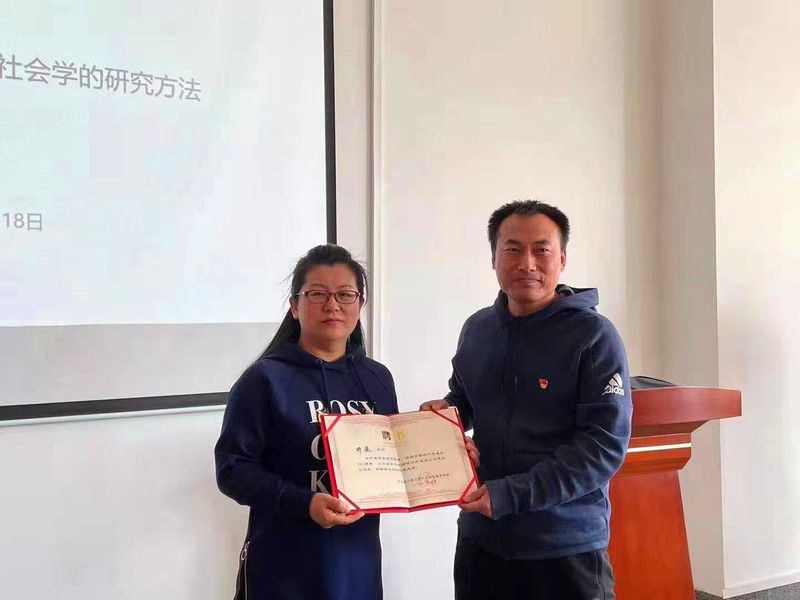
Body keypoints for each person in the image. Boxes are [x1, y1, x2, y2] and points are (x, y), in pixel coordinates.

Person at [421, 200, 632, 600]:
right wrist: (442, 418)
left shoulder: (594, 336)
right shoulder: (478, 328)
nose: (527, 263)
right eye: (513, 249)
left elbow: (602, 447)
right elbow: (464, 400)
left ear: (562, 259)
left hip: (563, 545)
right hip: (482, 539)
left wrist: (512, 494)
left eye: (541, 250)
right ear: (494, 258)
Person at [215, 244, 398, 600]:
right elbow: (232, 470)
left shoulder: (377, 378)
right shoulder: (264, 379)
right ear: (295, 306)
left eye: (345, 294)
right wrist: (304, 502)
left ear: (360, 304)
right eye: (317, 294)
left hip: (357, 560)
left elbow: (393, 461)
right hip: (285, 565)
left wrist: (448, 451)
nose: (332, 305)